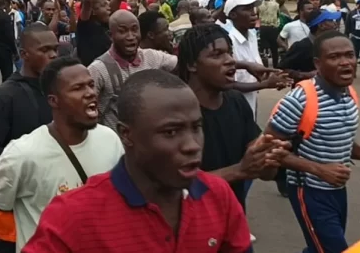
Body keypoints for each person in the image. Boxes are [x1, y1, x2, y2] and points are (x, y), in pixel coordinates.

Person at [22, 69, 251, 253]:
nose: (192, 145)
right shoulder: (72, 215)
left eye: (197, 127)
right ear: (127, 135)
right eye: (171, 132)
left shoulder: (218, 196)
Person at [0, 57, 123, 252]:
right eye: (78, 88)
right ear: (54, 101)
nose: (90, 93)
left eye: (91, 85)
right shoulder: (24, 153)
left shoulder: (110, 139)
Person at [266, 31, 360, 253]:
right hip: (309, 192)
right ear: (318, 63)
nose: (345, 63)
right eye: (334, 57)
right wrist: (320, 170)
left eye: (349, 55)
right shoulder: (299, 100)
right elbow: (268, 149)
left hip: (337, 191)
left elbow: (337, 140)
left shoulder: (349, 94)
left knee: (319, 248)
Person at [178, 24, 290, 210]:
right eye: (217, 55)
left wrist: (268, 156)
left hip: (233, 221)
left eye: (230, 53)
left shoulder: (236, 101)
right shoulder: (175, 112)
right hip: (192, 225)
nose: (230, 60)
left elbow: (265, 174)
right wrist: (238, 171)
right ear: (192, 64)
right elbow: (178, 185)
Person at [0, 23, 59, 253]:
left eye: (55, 49)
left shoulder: (58, 89)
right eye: (44, 50)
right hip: (14, 217)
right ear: (24, 55)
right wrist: (28, 159)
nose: (52, 55)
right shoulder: (5, 96)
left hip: (54, 206)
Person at [88, 10, 178, 132]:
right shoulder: (98, 69)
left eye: (135, 29)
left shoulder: (152, 57)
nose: (130, 37)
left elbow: (182, 65)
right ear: (110, 35)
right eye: (122, 31)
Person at [258, 0, 281, 68]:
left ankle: (265, 67)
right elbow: (278, 15)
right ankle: (275, 67)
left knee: (263, 49)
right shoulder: (276, 5)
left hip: (263, 28)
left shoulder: (259, 5)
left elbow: (257, 15)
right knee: (274, 49)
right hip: (273, 28)